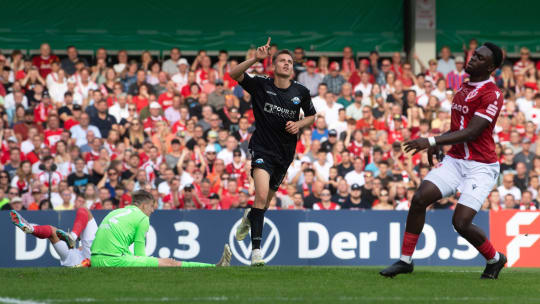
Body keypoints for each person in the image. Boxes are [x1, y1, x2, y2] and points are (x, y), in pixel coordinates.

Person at [380, 43, 507, 279]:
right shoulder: (463, 88)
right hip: (456, 159)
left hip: (481, 166)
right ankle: (405, 261)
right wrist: (439, 144)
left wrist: (430, 141)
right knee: (419, 199)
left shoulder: (492, 94)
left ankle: (495, 259)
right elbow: (457, 128)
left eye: (479, 57)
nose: (471, 58)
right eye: (473, 54)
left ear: (490, 66)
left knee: (461, 223)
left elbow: (472, 132)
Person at [230, 38, 316, 266]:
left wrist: (299, 125)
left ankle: (249, 217)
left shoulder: (302, 91)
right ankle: (256, 252)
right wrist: (254, 60)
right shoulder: (261, 84)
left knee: (264, 204)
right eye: (282, 61)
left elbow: (311, 115)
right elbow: (233, 73)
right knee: (259, 196)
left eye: (290, 61)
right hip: (262, 149)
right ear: (274, 65)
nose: (287, 64)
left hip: (285, 154)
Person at [90, 190, 231, 267]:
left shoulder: (116, 212)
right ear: (144, 205)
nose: (153, 210)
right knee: (170, 262)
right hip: (111, 260)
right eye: (152, 206)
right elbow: (140, 256)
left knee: (164, 261)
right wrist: (156, 262)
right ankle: (215, 267)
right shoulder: (142, 217)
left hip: (95, 259)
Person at [10, 202, 97, 267]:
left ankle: (32, 229)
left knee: (52, 232)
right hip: (88, 256)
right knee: (52, 231)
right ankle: (72, 237)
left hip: (72, 259)